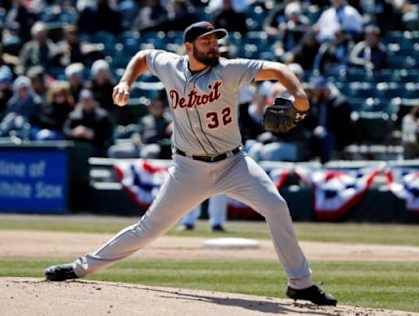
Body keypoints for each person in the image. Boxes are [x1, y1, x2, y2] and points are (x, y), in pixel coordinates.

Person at [44, 21, 337, 306]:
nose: (213, 46)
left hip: (234, 163)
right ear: (189, 46)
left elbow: (279, 69)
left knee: (276, 206)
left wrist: (298, 93)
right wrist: (125, 81)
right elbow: (144, 56)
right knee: (148, 229)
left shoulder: (229, 69)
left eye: (215, 40)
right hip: (188, 170)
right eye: (206, 41)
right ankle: (80, 268)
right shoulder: (171, 66)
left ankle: (300, 284)